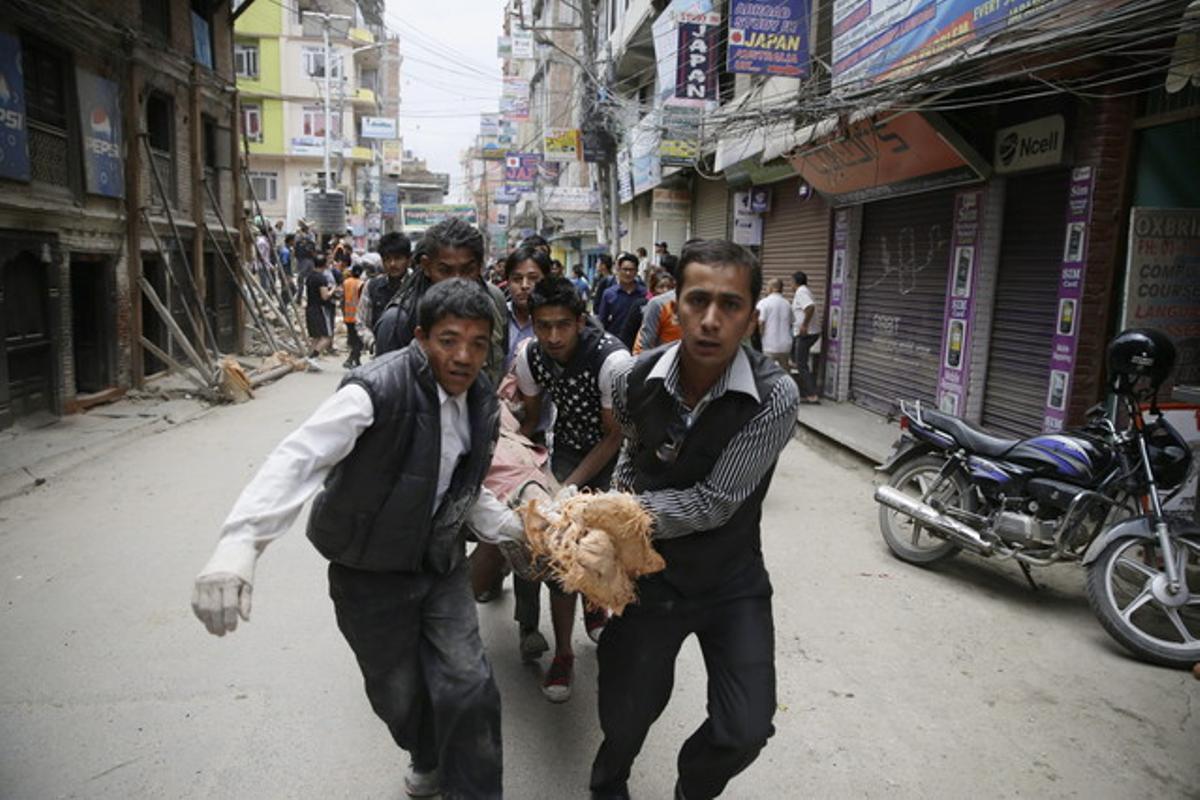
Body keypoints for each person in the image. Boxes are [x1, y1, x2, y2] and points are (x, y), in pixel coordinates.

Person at [191, 279, 523, 800]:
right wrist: (239, 544)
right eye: (449, 340)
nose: (464, 356)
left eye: (478, 344)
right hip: (367, 572)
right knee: (397, 696)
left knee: (470, 687)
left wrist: (518, 529)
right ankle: (425, 751)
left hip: (439, 565)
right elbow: (299, 457)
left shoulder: (482, 400)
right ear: (420, 338)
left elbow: (462, 487)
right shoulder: (376, 389)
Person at [587, 239, 800, 800]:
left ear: (752, 319)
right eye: (697, 300)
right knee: (627, 712)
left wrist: (610, 514)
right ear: (671, 307)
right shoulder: (632, 379)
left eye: (730, 306)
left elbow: (716, 502)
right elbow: (630, 454)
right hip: (649, 581)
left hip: (732, 581)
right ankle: (609, 780)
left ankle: (692, 788)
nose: (710, 320)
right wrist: (605, 548)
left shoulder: (774, 397)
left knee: (746, 728)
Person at [515, 276, 631, 703]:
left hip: (614, 455)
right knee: (560, 556)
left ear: (580, 322)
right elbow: (530, 420)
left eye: (562, 325)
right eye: (543, 325)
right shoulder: (529, 355)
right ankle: (563, 654)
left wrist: (568, 487)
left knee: (604, 547)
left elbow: (614, 436)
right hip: (566, 448)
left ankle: (597, 606)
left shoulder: (612, 361)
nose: (552, 336)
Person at [375, 218, 509, 388]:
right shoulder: (398, 321)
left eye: (468, 270)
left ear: (480, 266)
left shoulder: (494, 301)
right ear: (426, 266)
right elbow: (386, 395)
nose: (457, 281)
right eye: (445, 271)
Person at [360, 231, 411, 342]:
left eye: (397, 258)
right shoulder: (371, 286)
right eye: (387, 259)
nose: (392, 264)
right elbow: (361, 323)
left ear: (408, 260)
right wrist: (372, 343)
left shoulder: (417, 285)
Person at [596, 253, 647, 348]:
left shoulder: (644, 294)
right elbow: (602, 321)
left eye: (631, 270)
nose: (628, 273)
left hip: (638, 344)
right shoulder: (609, 294)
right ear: (618, 270)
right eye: (625, 269)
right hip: (615, 343)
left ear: (636, 271)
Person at [633, 254, 681, 355]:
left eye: (669, 287)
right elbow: (644, 347)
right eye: (661, 287)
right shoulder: (657, 304)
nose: (665, 290)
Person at [791, 270, 821, 404]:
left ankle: (812, 394)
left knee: (801, 364)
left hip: (806, 334)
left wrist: (804, 325)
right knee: (798, 361)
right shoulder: (804, 290)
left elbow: (810, 307)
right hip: (805, 334)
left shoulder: (801, 292)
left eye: (791, 282)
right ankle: (805, 392)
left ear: (795, 282)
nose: (790, 285)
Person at [756, 278, 793, 373]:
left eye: (768, 286)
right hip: (786, 345)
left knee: (767, 372)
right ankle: (787, 387)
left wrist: (760, 335)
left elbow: (761, 322)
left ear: (773, 288)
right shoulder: (787, 303)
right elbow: (791, 322)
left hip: (769, 344)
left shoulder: (764, 302)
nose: (766, 289)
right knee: (785, 372)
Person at [305, 257, 336, 357]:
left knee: (316, 337)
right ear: (325, 265)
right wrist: (332, 290)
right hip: (320, 309)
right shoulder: (321, 278)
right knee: (327, 337)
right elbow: (325, 296)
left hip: (310, 308)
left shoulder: (309, 277)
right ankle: (314, 356)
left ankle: (309, 360)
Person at [342, 264, 365, 369]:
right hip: (358, 317)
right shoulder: (361, 284)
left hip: (348, 316)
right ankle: (350, 360)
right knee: (359, 341)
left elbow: (343, 299)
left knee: (353, 339)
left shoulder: (346, 282)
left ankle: (357, 361)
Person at [293, 221, 318, 296]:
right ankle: (305, 296)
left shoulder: (300, 236)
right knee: (308, 279)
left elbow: (295, 248)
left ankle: (300, 296)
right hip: (307, 259)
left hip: (303, 260)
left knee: (301, 279)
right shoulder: (310, 236)